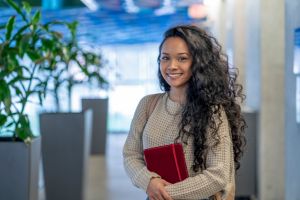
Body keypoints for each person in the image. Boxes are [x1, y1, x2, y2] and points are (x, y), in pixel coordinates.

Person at [123, 24, 246, 200]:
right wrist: (149, 182)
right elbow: (131, 154)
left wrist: (164, 194)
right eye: (165, 58)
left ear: (198, 63)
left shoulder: (212, 111)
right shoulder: (147, 104)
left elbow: (219, 173)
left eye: (182, 58)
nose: (171, 66)